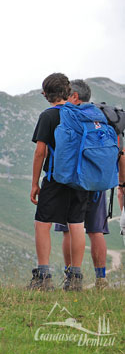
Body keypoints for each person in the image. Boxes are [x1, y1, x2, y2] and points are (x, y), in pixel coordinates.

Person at [29, 73, 88, 291]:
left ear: (46, 94)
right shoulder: (80, 114)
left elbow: (40, 152)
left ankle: (44, 276)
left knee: (42, 223)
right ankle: (75, 278)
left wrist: (35, 183)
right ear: (68, 92)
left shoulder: (49, 116)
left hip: (55, 178)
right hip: (81, 178)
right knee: (76, 224)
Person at [53, 79, 111, 289]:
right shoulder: (100, 117)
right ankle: (101, 279)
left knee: (70, 228)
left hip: (76, 181)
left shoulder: (71, 116)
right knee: (96, 231)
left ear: (74, 96)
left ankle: (71, 275)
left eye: (67, 95)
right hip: (98, 180)